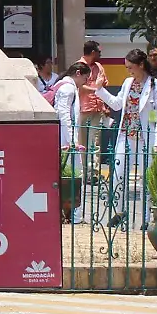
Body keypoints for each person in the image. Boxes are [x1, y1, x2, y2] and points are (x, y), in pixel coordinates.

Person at [89, 48, 157, 229]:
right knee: (118, 174)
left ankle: (148, 218)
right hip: (127, 134)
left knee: (147, 179)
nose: (129, 71)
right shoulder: (128, 83)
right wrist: (100, 90)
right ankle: (119, 212)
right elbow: (116, 103)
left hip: (146, 137)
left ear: (141, 65)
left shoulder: (156, 86)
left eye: (131, 67)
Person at [54, 62, 90, 223]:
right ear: (78, 73)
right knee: (76, 176)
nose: (86, 82)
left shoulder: (63, 86)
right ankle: (75, 216)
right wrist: (72, 140)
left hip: (64, 138)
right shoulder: (68, 88)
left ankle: (69, 214)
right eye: (85, 77)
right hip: (66, 140)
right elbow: (64, 115)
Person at [74, 40, 110, 164]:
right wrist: (95, 90)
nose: (100, 55)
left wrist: (104, 105)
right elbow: (79, 86)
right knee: (82, 142)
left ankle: (93, 172)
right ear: (93, 52)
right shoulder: (78, 66)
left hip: (97, 109)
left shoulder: (99, 67)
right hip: (83, 109)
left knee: (95, 142)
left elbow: (103, 86)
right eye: (99, 52)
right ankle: (84, 171)